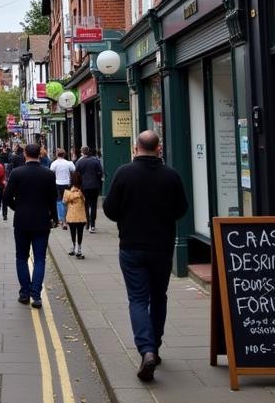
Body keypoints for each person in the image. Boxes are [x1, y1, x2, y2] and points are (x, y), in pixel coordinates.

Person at [102, 130, 188, 382]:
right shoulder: (171, 175)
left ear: (135, 148)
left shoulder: (124, 173)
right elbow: (181, 209)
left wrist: (127, 218)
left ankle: (146, 349)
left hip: (131, 246)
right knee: (159, 296)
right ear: (158, 148)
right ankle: (155, 347)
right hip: (161, 247)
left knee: (138, 299)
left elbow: (109, 209)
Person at [2, 142, 58, 308]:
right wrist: (54, 218)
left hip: (22, 221)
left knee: (21, 257)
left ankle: (25, 293)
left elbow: (6, 198)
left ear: (25, 154)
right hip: (42, 221)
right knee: (40, 258)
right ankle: (36, 295)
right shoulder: (48, 174)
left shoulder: (17, 173)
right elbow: (52, 199)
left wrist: (17, 207)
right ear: (40, 154)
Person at [76, 147, 105, 233]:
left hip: (84, 187)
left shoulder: (79, 162)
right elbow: (100, 172)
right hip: (95, 186)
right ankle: (92, 225)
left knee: (85, 204)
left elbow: (77, 174)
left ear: (82, 153)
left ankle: (87, 223)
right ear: (89, 152)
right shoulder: (96, 161)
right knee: (93, 205)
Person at [62, 171, 87, 258]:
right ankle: (79, 249)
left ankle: (73, 247)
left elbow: (64, 201)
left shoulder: (68, 190)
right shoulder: (82, 190)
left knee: (73, 232)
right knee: (80, 232)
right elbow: (85, 201)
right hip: (81, 215)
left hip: (71, 215)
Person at [49, 148, 76, 227]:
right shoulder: (69, 163)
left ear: (57, 155)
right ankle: (67, 217)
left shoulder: (54, 163)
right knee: (67, 201)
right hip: (67, 183)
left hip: (57, 183)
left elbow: (51, 173)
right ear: (64, 155)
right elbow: (74, 170)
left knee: (59, 200)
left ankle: (61, 218)